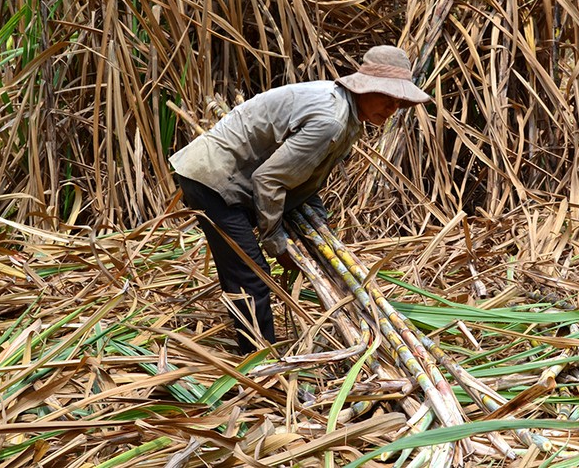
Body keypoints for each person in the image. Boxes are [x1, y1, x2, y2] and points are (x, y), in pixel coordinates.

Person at [169, 45, 430, 354]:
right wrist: (276, 242)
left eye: (399, 103)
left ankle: (257, 353)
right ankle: (260, 363)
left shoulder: (349, 116)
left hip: (232, 175)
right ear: (364, 87)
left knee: (245, 271)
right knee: (251, 277)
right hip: (212, 179)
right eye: (386, 98)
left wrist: (317, 218)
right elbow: (269, 179)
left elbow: (305, 174)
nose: (392, 109)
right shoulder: (331, 120)